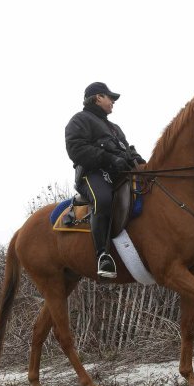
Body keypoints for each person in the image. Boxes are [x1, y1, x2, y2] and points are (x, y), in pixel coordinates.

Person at [65, 82, 146, 278]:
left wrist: (138, 160)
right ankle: (103, 255)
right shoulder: (79, 120)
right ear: (97, 97)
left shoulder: (115, 128)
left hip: (119, 174)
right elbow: (76, 149)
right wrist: (109, 158)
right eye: (110, 98)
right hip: (92, 175)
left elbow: (127, 150)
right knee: (103, 200)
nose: (113, 102)